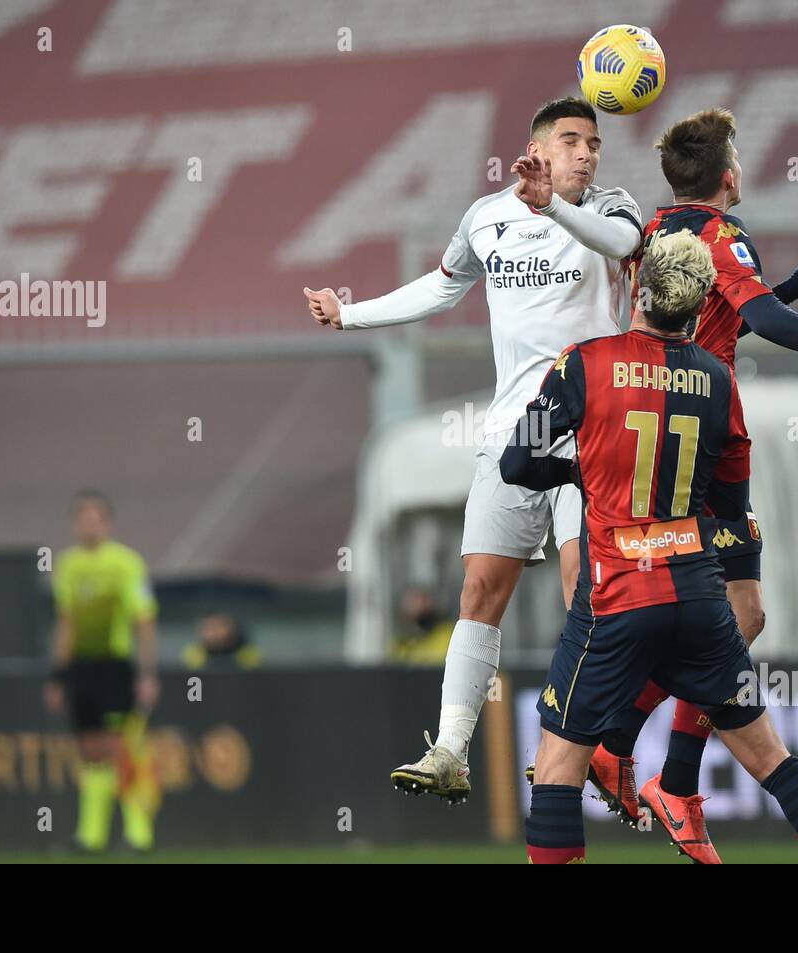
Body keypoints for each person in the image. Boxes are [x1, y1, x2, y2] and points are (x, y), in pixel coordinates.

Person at [582, 107, 798, 859]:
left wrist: (795, 283)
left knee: (743, 615)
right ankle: (640, 755)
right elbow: (761, 322)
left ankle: (654, 768)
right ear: (730, 174)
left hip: (658, 425)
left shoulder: (657, 232)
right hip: (704, 440)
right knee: (728, 621)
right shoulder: (720, 233)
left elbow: (715, 321)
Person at [305, 97, 645, 802]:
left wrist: (553, 207)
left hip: (593, 427)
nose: (587, 153)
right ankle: (452, 749)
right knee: (479, 591)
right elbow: (443, 284)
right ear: (538, 147)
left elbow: (620, 247)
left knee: (587, 587)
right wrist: (351, 314)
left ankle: (603, 745)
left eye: (594, 143)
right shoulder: (485, 217)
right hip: (517, 434)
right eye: (572, 141)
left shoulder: (610, 208)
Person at [503, 231, 798, 864]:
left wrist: (578, 474)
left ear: (637, 289)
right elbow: (730, 509)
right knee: (772, 759)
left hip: (616, 597)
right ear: (700, 308)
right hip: (699, 597)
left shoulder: (583, 363)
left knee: (557, 768)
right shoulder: (721, 382)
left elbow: (516, 463)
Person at [45, 490, 160, 852]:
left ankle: (138, 834)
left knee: (120, 748)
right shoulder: (67, 565)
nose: (89, 525)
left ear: (108, 524)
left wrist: (147, 673)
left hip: (115, 665)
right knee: (90, 749)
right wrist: (58, 674)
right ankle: (90, 836)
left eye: (96, 518)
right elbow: (65, 623)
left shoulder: (126, 563)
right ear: (75, 523)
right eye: (83, 518)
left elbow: (144, 620)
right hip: (82, 668)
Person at [182, 613, 261, 670]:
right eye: (209, 627)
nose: (214, 632)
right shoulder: (192, 658)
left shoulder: (249, 656)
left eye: (220, 626)